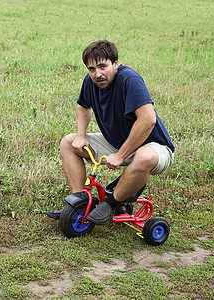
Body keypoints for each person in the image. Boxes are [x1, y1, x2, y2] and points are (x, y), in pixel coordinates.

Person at [46, 40, 175, 225]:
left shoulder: (129, 79)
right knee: (68, 142)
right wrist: (81, 135)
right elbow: (83, 107)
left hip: (154, 146)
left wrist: (121, 155)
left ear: (115, 64)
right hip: (117, 143)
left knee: (144, 156)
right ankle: (79, 203)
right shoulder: (91, 82)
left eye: (102, 66)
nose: (97, 74)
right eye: (91, 69)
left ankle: (109, 204)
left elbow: (148, 120)